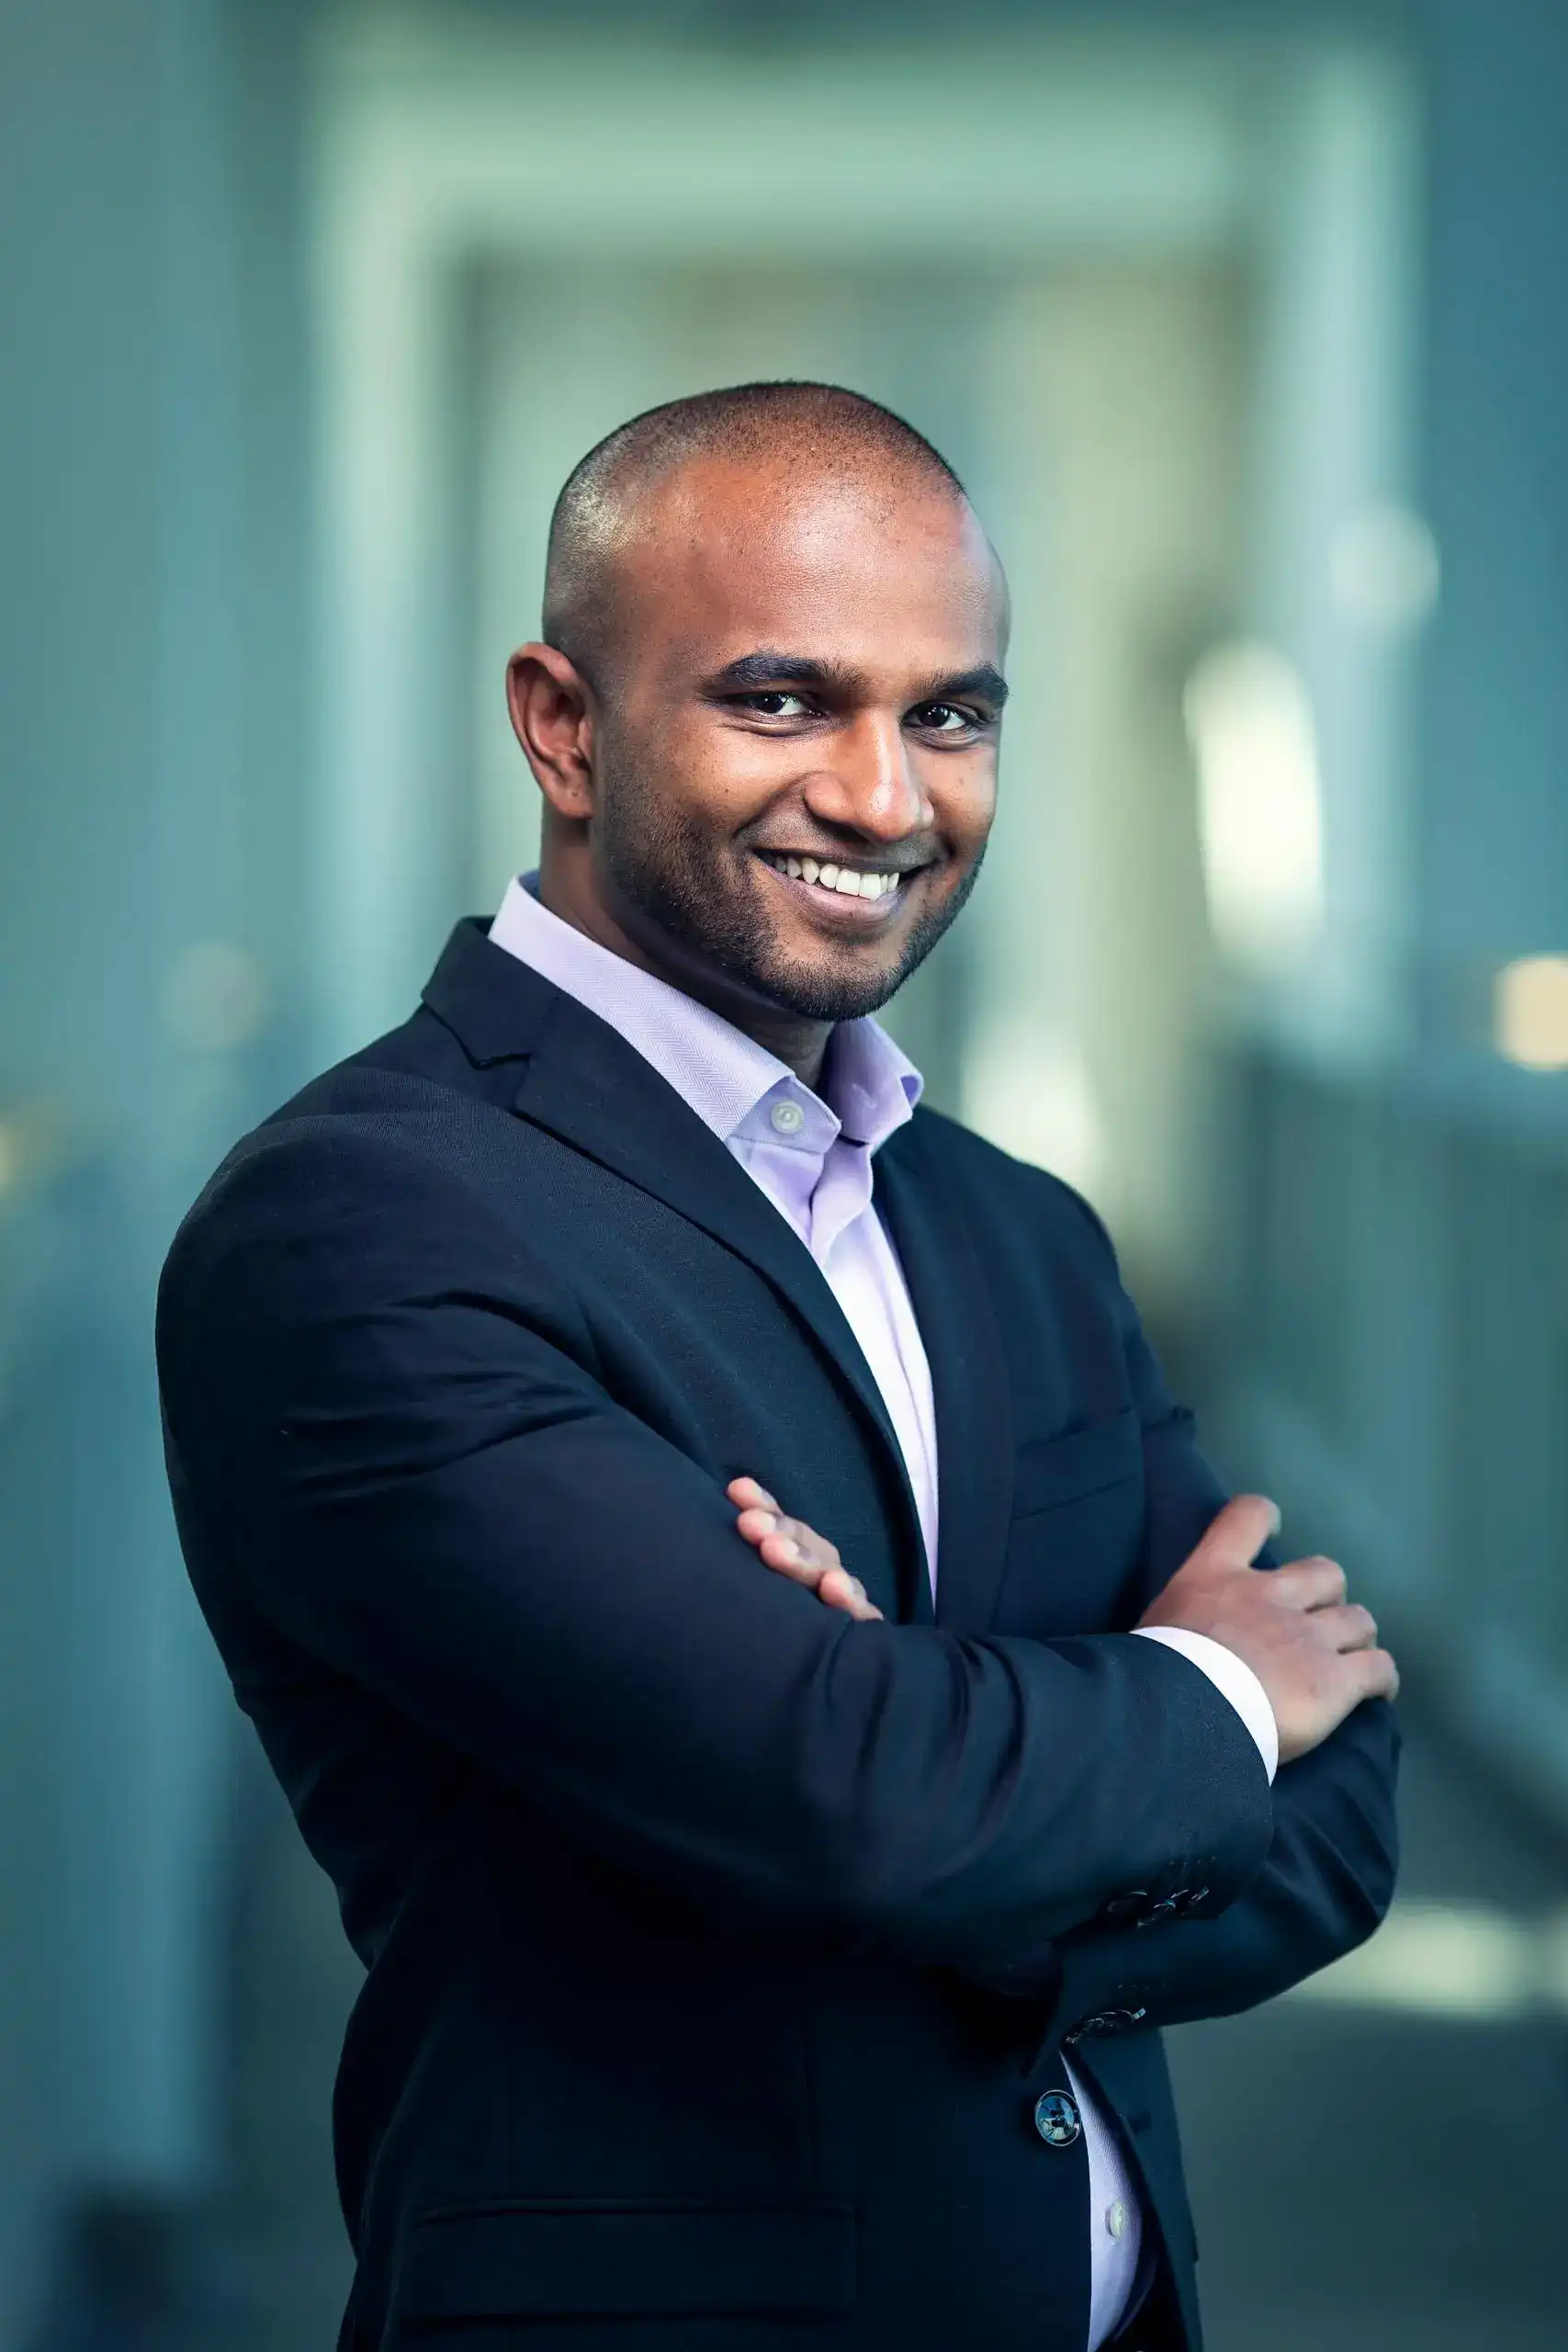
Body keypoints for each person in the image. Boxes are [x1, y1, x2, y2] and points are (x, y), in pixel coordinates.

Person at [156, 382, 1399, 2352]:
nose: (886, 796)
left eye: (951, 713)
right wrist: (1204, 1687)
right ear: (562, 722)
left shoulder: (1013, 1228)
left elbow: (1344, 1817)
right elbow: (849, 1792)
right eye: (782, 698)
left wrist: (929, 1763)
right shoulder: (363, 1224)